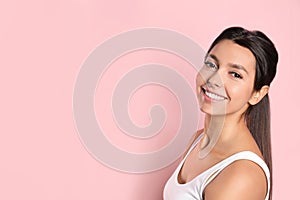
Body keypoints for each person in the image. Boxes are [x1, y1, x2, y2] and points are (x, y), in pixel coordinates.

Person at [163, 27, 278, 200]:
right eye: (211, 64)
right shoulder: (198, 141)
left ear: (257, 94)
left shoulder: (242, 174)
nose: (213, 79)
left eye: (235, 74)